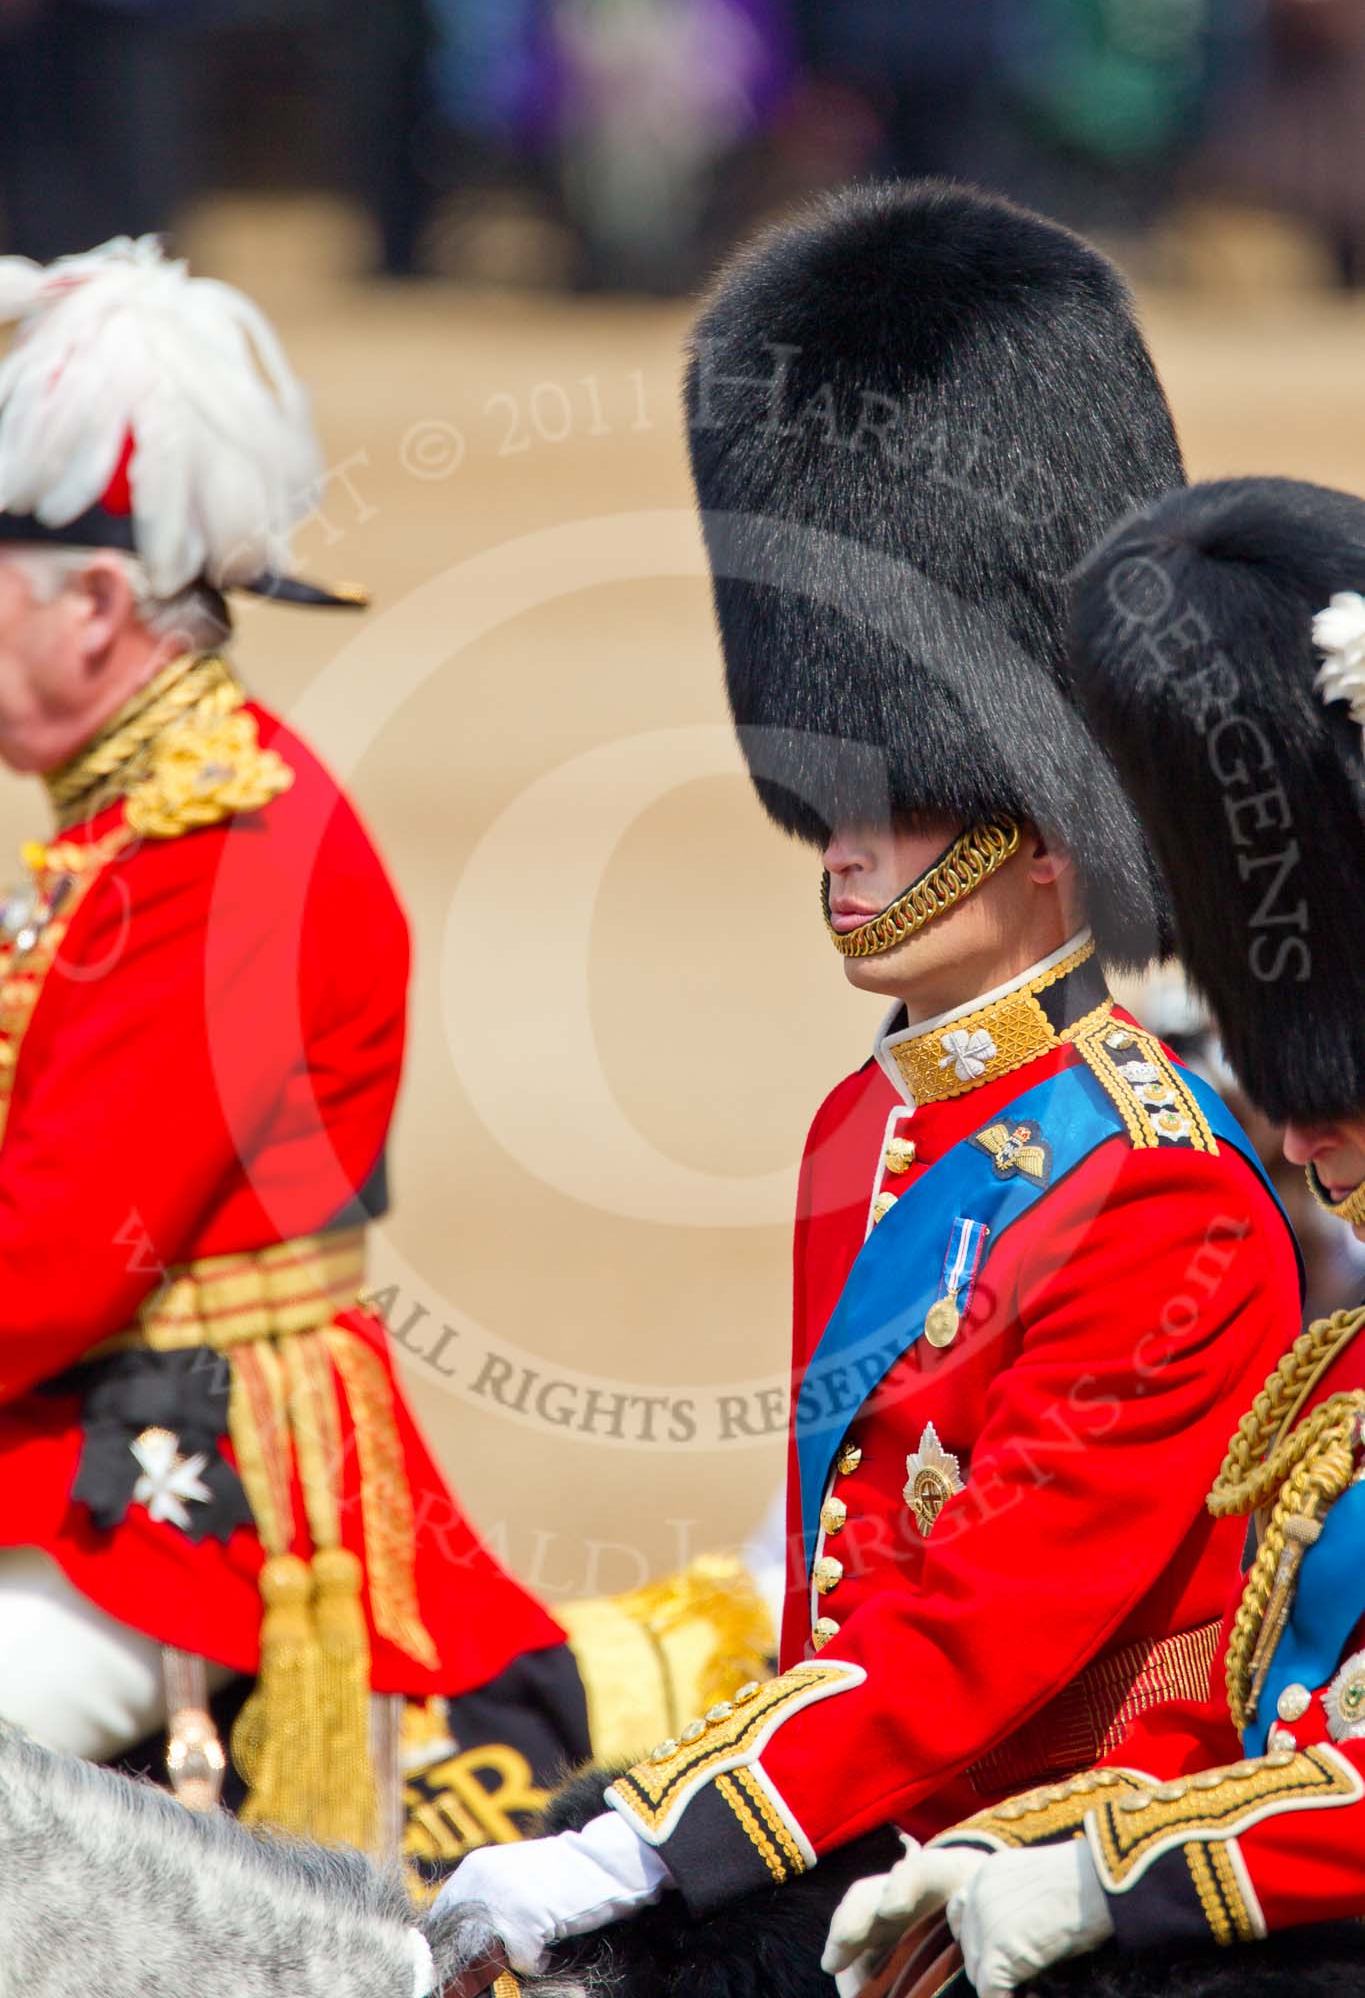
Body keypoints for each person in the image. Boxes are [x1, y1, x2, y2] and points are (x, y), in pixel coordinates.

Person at [432, 182, 1301, 1977]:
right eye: (832, 790)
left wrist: (652, 1838)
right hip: (867, 1799)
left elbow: (969, 1638)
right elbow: (848, 1582)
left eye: (901, 791)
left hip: (1017, 1880)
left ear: (1047, 829)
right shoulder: (879, 1118)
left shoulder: (1154, 1193)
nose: (845, 847)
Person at [0, 233, 587, 1852]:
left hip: (189, 1482)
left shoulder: (216, 847)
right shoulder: (126, 818)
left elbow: (50, 1262)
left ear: (99, 603)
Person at [823, 475, 1365, 1995]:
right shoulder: (1339, 1385)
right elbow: (1232, 1715)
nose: (1297, 1127)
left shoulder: (1150, 1195)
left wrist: (1108, 1879)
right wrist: (1023, 1850)